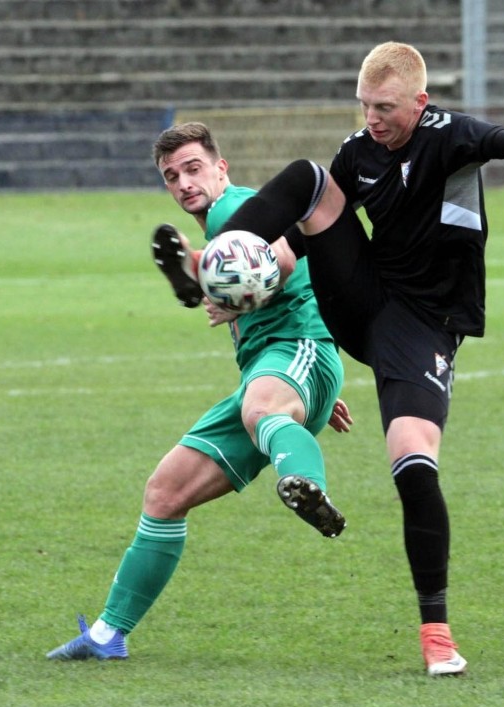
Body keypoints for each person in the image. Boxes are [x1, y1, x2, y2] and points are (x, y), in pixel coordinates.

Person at [212, 42, 504, 676]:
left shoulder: (449, 136)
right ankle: (213, 263)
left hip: (426, 326)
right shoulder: (359, 153)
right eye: (364, 106)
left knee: (413, 468)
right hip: (365, 303)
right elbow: (309, 233)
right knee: (309, 179)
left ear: (420, 101)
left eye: (384, 107)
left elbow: (501, 138)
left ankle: (436, 632)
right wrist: (248, 283)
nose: (372, 119)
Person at [46, 121, 352, 661]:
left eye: (193, 169)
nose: (184, 183)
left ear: (220, 167)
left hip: (296, 347)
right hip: (279, 366)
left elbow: (283, 255)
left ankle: (306, 482)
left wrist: (247, 305)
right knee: (164, 494)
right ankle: (106, 635)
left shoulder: (236, 209)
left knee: (262, 408)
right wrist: (305, 395)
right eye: (172, 176)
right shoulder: (223, 222)